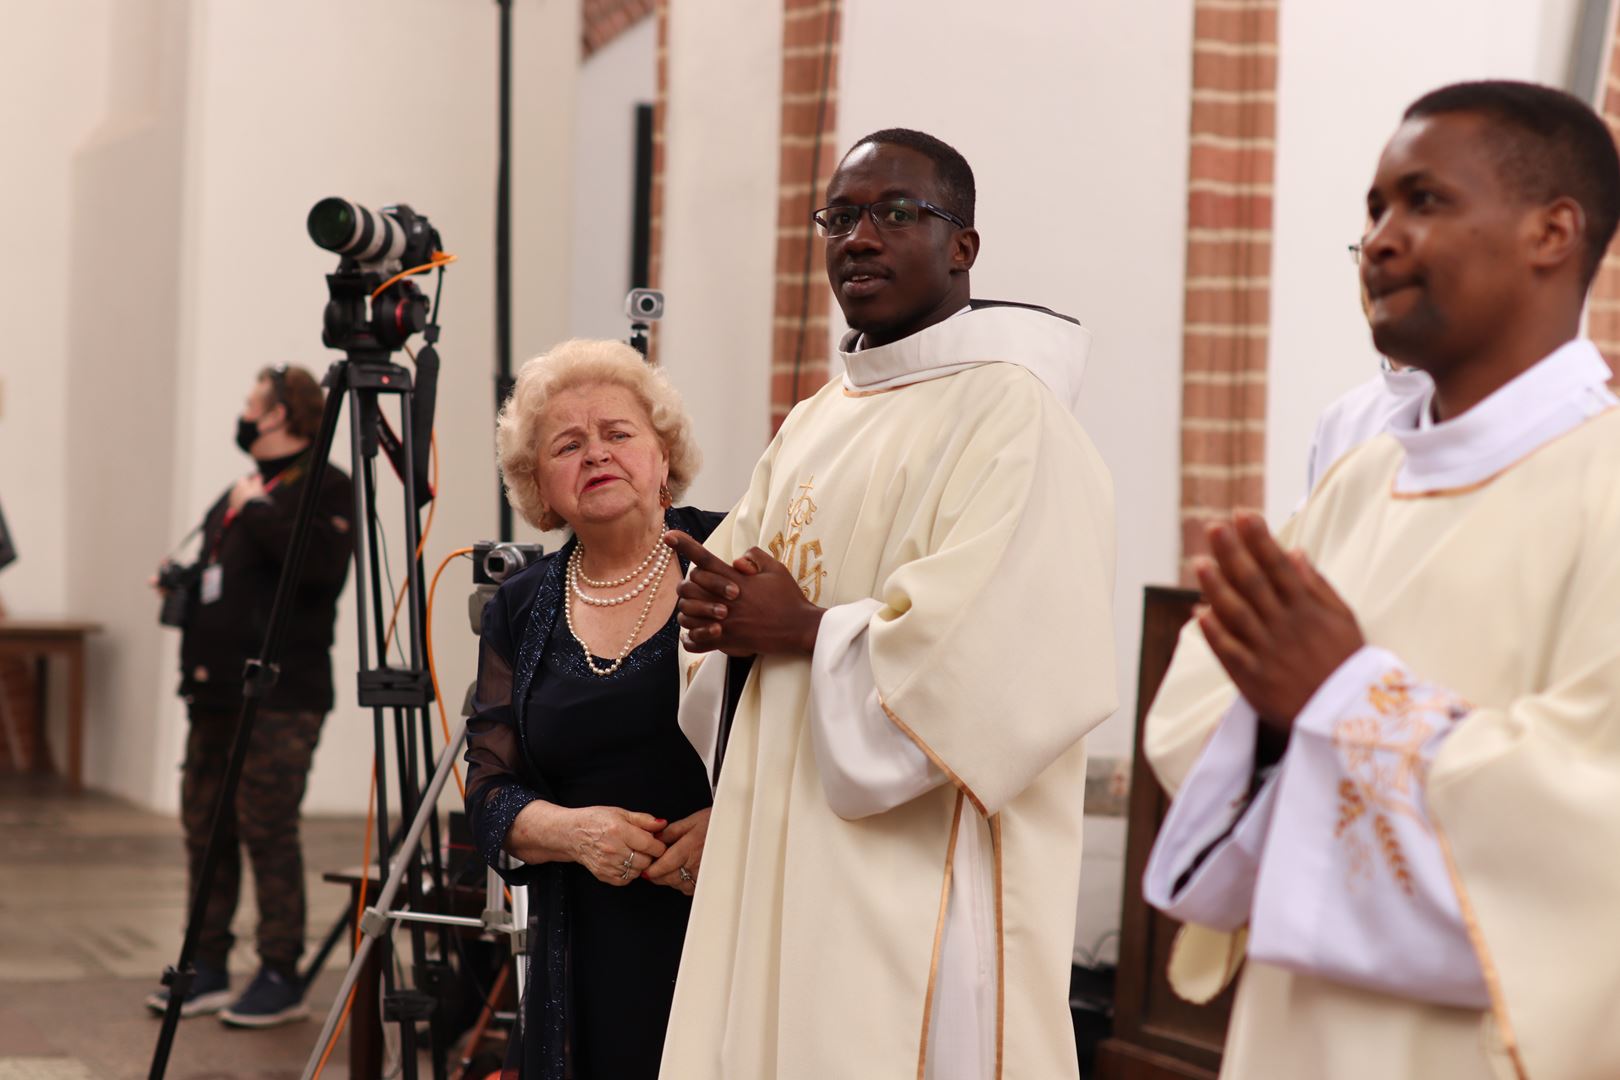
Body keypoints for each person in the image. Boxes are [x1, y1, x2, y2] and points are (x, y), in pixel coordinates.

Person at [1142, 81, 1620, 1080]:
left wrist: (1346, 699)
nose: (1384, 239)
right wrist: (1275, 717)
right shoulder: (1363, 480)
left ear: (1553, 231)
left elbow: (1595, 829)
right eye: (1374, 210)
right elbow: (1194, 713)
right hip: (1296, 1032)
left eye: (1425, 201)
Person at [659, 129, 1118, 1080]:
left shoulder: (1015, 413)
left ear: (964, 246)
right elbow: (737, 595)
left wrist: (801, 630)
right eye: (841, 216)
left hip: (920, 876)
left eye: (897, 213)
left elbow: (1006, 657)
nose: (859, 237)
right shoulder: (822, 417)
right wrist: (716, 625)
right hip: (783, 849)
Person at [464, 339, 722, 1079]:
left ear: (664, 456)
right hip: (583, 951)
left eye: (618, 433)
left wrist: (738, 826)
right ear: (540, 488)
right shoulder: (518, 605)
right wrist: (573, 833)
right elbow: (487, 791)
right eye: (567, 445)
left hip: (730, 920)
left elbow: (809, 734)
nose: (596, 454)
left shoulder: (731, 552)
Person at [147, 364, 354, 1026]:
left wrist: (257, 509)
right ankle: (204, 966)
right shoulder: (240, 489)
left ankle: (278, 972)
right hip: (212, 692)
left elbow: (319, 570)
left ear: (280, 415)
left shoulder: (326, 485)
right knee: (205, 830)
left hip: (282, 695)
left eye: (251, 404)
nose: (244, 414)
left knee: (266, 828)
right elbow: (220, 567)